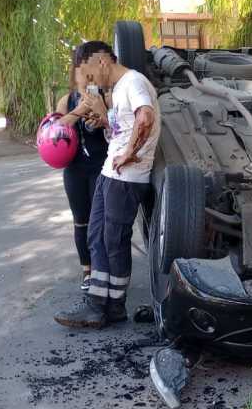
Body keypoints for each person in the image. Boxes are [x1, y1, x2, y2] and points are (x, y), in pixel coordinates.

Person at [54, 41, 161, 328]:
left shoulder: (133, 82)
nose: (91, 83)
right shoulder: (120, 90)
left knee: (111, 240)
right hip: (111, 174)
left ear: (102, 62)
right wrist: (104, 120)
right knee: (98, 236)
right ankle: (102, 305)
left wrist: (130, 153)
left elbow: (145, 117)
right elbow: (121, 128)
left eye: (90, 75)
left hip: (126, 178)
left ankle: (107, 306)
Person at [54, 45, 111, 291]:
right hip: (75, 169)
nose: (86, 76)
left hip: (102, 167)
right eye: (81, 71)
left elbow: (116, 128)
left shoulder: (107, 96)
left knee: (103, 222)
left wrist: (100, 111)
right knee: (81, 221)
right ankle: (87, 271)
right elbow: (55, 131)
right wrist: (80, 110)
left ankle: (103, 270)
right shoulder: (66, 101)